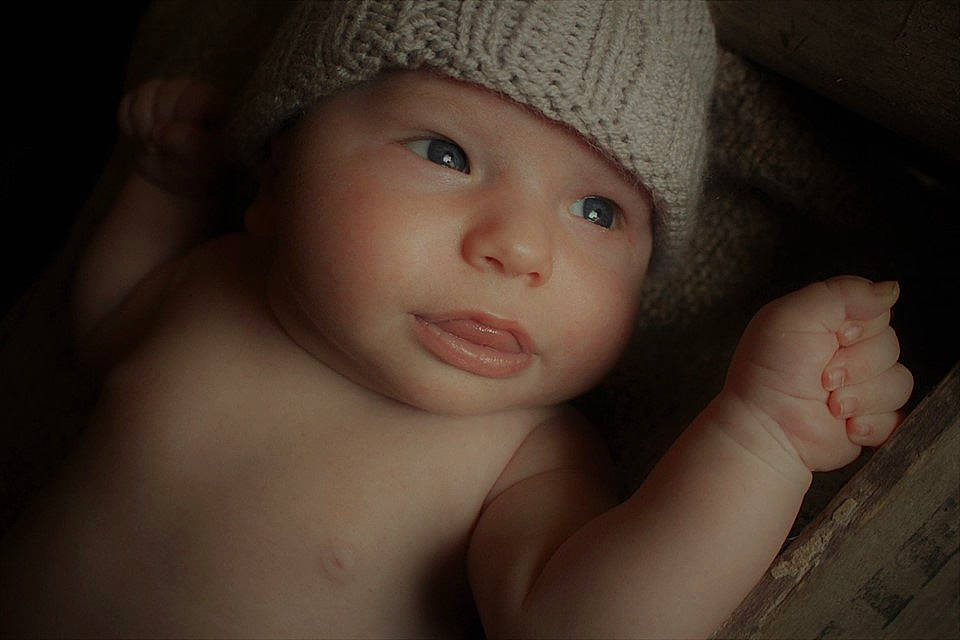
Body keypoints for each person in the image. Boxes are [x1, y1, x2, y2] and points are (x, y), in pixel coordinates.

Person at [0, 1, 913, 637]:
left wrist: (758, 440)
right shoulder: (214, 286)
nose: (520, 248)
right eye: (446, 153)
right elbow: (103, 327)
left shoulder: (518, 453)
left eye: (598, 212)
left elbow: (589, 626)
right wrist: (164, 188)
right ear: (275, 174)